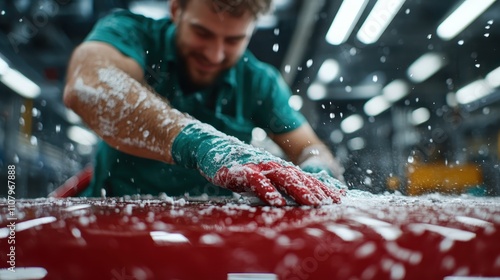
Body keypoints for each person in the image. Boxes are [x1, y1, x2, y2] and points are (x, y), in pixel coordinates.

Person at [63, 0, 346, 206]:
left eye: (234, 40)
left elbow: (311, 149)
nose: (214, 54)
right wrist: (201, 145)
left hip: (212, 233)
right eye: (202, 33)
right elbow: (87, 86)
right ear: (176, 10)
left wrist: (315, 167)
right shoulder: (129, 32)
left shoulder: (259, 82)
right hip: (113, 215)